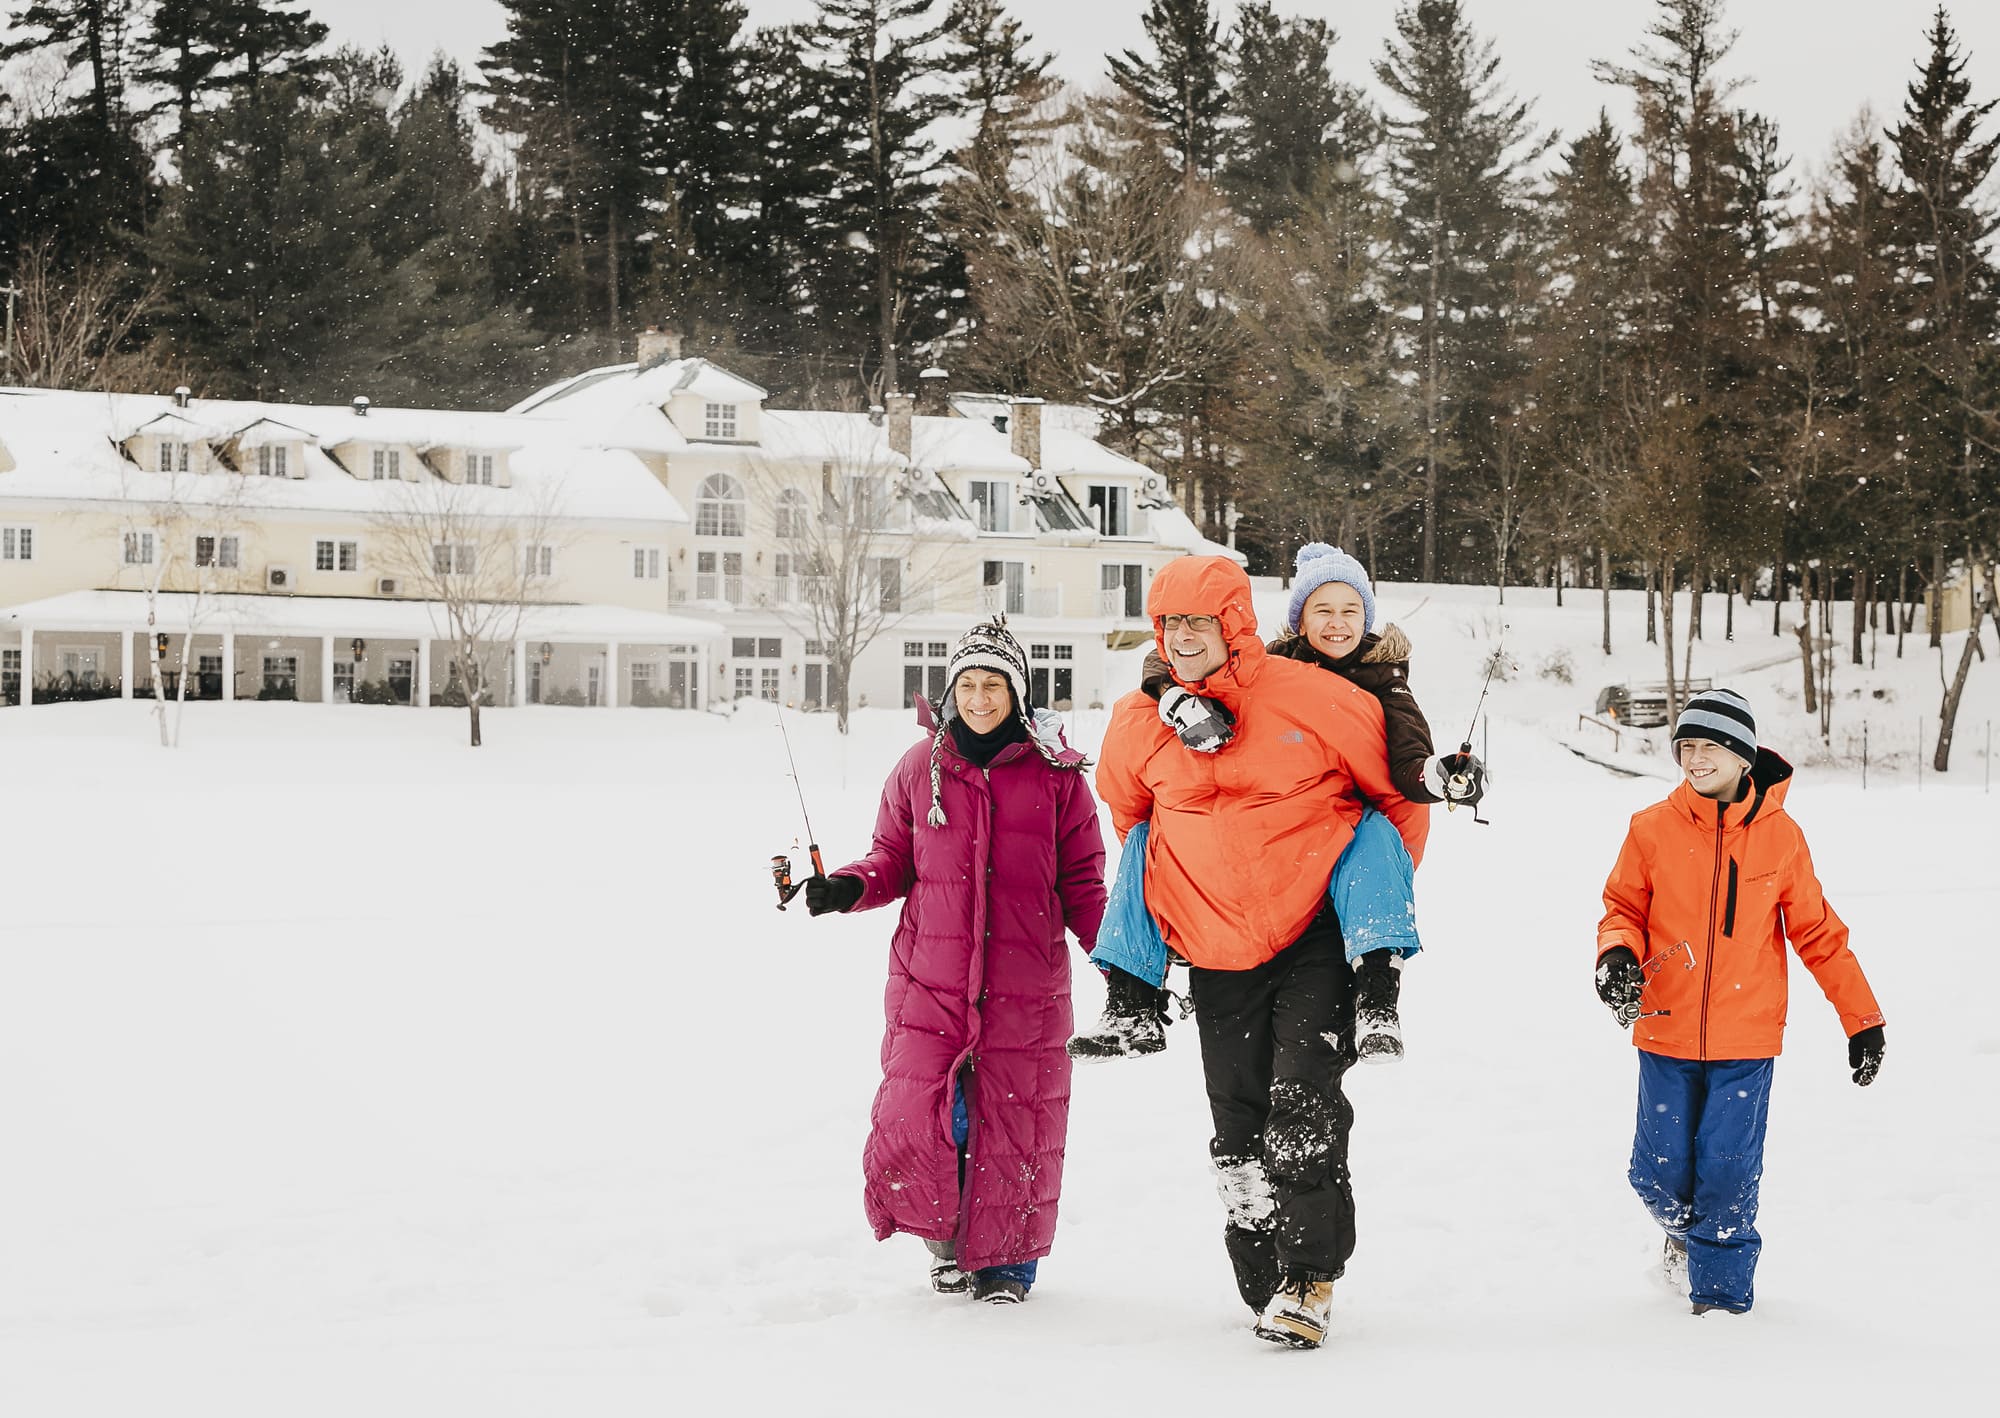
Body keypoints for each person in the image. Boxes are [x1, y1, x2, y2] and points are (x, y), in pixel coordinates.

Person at [1095, 556, 1428, 1348]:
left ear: (1234, 625)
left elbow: (1395, 805)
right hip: (1216, 950)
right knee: (1237, 1124)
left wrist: (1354, 905)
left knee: (1302, 1107)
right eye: (1170, 624)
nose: (1183, 638)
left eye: (1198, 623)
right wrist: (1193, 897)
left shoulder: (1316, 697)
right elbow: (1130, 820)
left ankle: (1310, 1276)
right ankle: (1263, 1270)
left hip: (1309, 937)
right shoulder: (1138, 720)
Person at [1072, 543, 1482, 1064]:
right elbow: (1180, 658)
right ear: (1298, 621)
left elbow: (1404, 774)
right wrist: (1172, 697)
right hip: (1237, 884)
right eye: (1323, 611)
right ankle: (1131, 1000)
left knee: (1376, 834)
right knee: (1148, 843)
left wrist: (1438, 785)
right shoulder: (1271, 670)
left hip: (1328, 860)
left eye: (1350, 610)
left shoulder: (1383, 685)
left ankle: (1378, 989)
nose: (1337, 624)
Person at [803, 617, 1106, 1304]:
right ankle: (949, 1244)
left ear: (1016, 693)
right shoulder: (920, 768)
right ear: (949, 693)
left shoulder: (1057, 777)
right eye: (967, 684)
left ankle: (1007, 1265)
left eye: (992, 684)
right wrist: (847, 886)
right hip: (930, 981)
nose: (978, 697)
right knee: (936, 1116)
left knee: (1015, 1122)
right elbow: (891, 860)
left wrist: (1118, 959)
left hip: (1024, 985)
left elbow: (1084, 885)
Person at [1595, 688, 1886, 1316]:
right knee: (1658, 1173)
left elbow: (1816, 933)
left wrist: (1861, 1020)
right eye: (1686, 747)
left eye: (1709, 746)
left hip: (1747, 1040)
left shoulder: (1781, 838)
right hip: (1664, 1030)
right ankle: (1681, 1239)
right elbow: (1623, 910)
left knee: (1727, 1178)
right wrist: (1617, 953)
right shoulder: (1650, 829)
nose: (1695, 759)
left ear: (1742, 756)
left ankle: (1722, 1311)